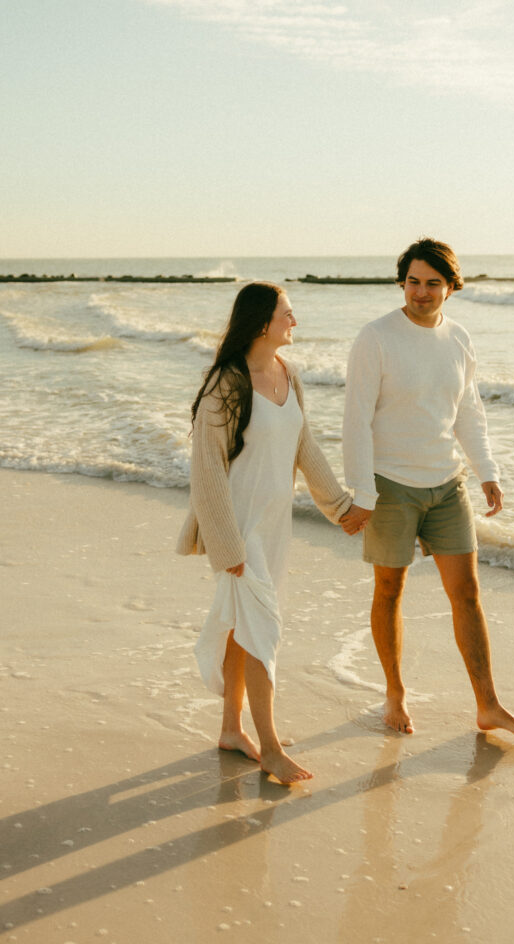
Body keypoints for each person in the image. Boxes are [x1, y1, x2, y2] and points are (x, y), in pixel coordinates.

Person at [340, 238, 514, 737]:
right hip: (390, 486)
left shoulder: (459, 339)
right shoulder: (376, 337)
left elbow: (468, 410)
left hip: (447, 485)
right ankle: (394, 693)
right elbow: (355, 420)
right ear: (401, 282)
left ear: (451, 287)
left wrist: (486, 470)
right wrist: (362, 493)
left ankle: (489, 705)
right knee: (390, 589)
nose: (421, 293)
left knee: (467, 593)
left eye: (433, 283)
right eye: (413, 282)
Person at [177, 281, 365, 783]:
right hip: (239, 529)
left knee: (246, 629)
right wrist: (227, 546)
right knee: (262, 631)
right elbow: (207, 473)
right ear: (263, 322)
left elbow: (305, 446)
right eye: (287, 313)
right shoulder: (225, 385)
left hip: (275, 526)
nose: (294, 321)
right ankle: (272, 749)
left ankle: (230, 729)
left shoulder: (289, 373)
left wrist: (340, 507)